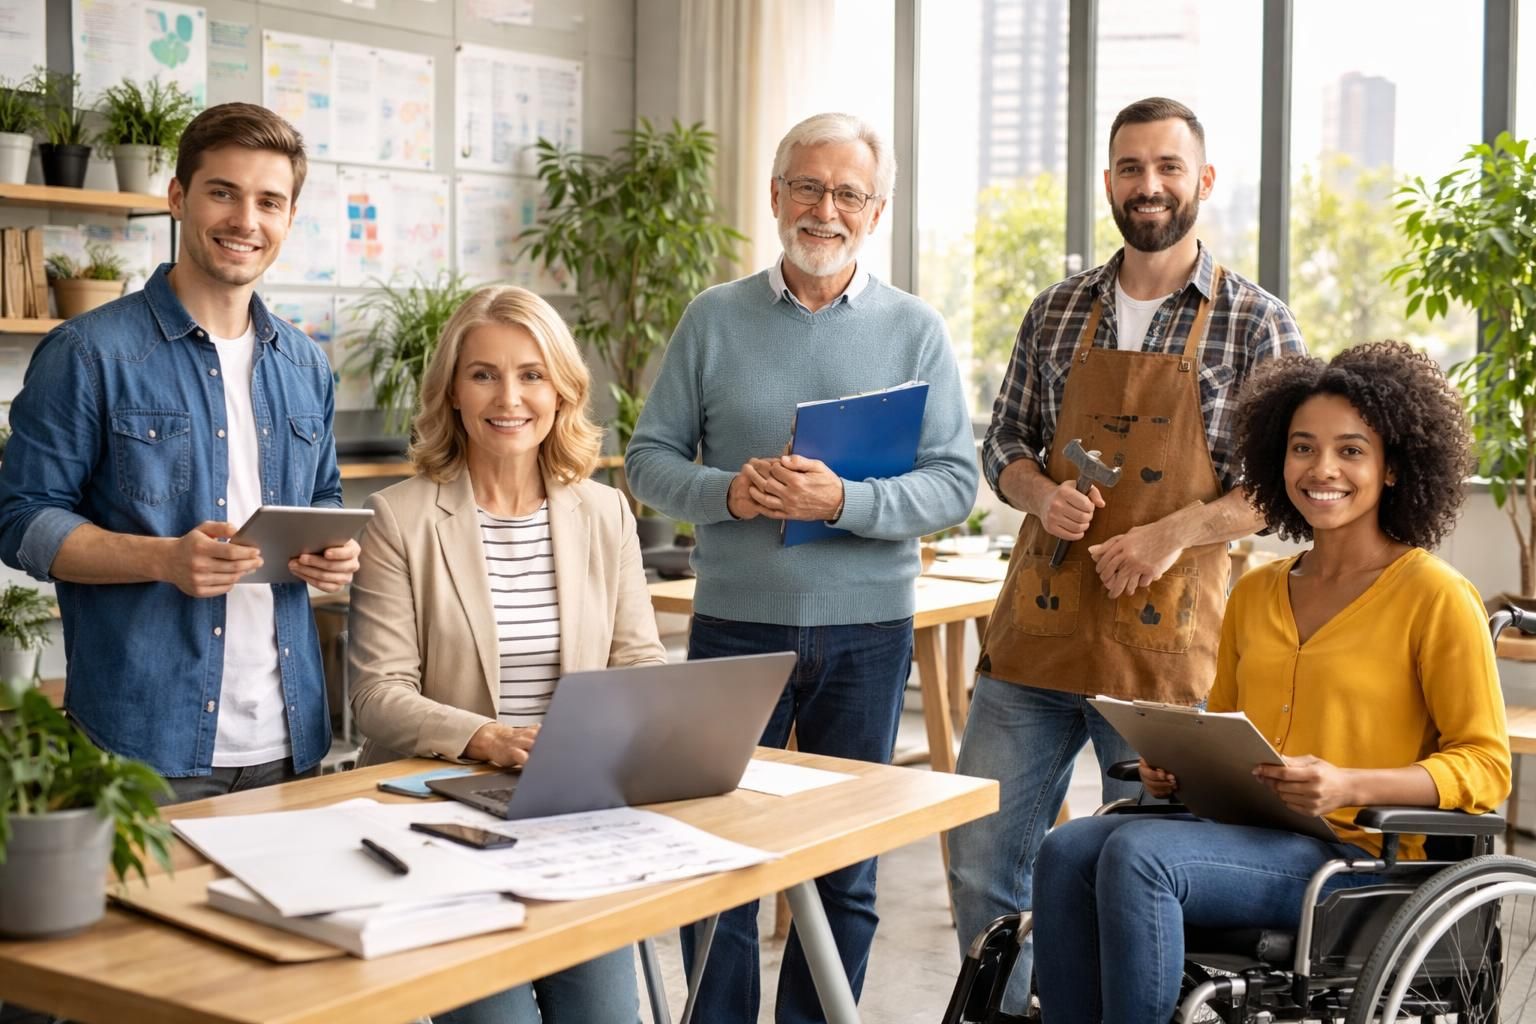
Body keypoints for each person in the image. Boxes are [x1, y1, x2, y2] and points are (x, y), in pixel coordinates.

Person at [944, 96, 1308, 1009]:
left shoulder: (1257, 324)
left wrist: (1170, 532)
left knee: (1128, 874)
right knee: (982, 855)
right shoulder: (1057, 311)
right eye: (1132, 169)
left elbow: (1284, 486)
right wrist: (1040, 494)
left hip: (1161, 660)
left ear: (1203, 181)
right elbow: (1004, 446)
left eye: (1169, 168)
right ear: (1109, 182)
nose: (1150, 187)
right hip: (1035, 636)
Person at [1031, 339, 1511, 1022]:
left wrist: (1347, 784)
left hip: (1352, 857)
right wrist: (1177, 770)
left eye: (1351, 451)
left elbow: (1487, 767)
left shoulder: (1435, 596)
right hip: (1242, 832)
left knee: (1139, 855)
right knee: (1067, 848)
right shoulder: (1256, 591)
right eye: (1302, 447)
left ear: (1394, 468)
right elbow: (1225, 728)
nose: (1322, 469)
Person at [624, 111, 977, 1023]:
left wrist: (844, 504)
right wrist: (729, 495)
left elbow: (954, 485)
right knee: (718, 858)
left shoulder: (916, 329)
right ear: (776, 196)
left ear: (877, 209)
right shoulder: (713, 318)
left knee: (844, 869)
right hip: (735, 625)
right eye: (808, 188)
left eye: (848, 193)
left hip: (866, 632)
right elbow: (647, 459)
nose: (827, 209)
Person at [0, 103, 357, 801]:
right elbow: (21, 521)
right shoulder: (89, 353)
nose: (244, 221)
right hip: (143, 746)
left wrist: (333, 552)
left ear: (288, 219)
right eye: (222, 192)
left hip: (294, 739)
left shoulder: (306, 366)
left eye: (269, 201)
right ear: (176, 197)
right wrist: (162, 560)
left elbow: (324, 501)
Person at [347, 285, 664, 1024]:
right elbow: (377, 694)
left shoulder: (604, 508)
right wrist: (486, 737)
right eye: (483, 373)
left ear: (560, 389)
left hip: (573, 813)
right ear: (452, 391)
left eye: (530, 373)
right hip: (445, 817)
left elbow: (639, 664)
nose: (509, 396)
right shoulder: (400, 517)